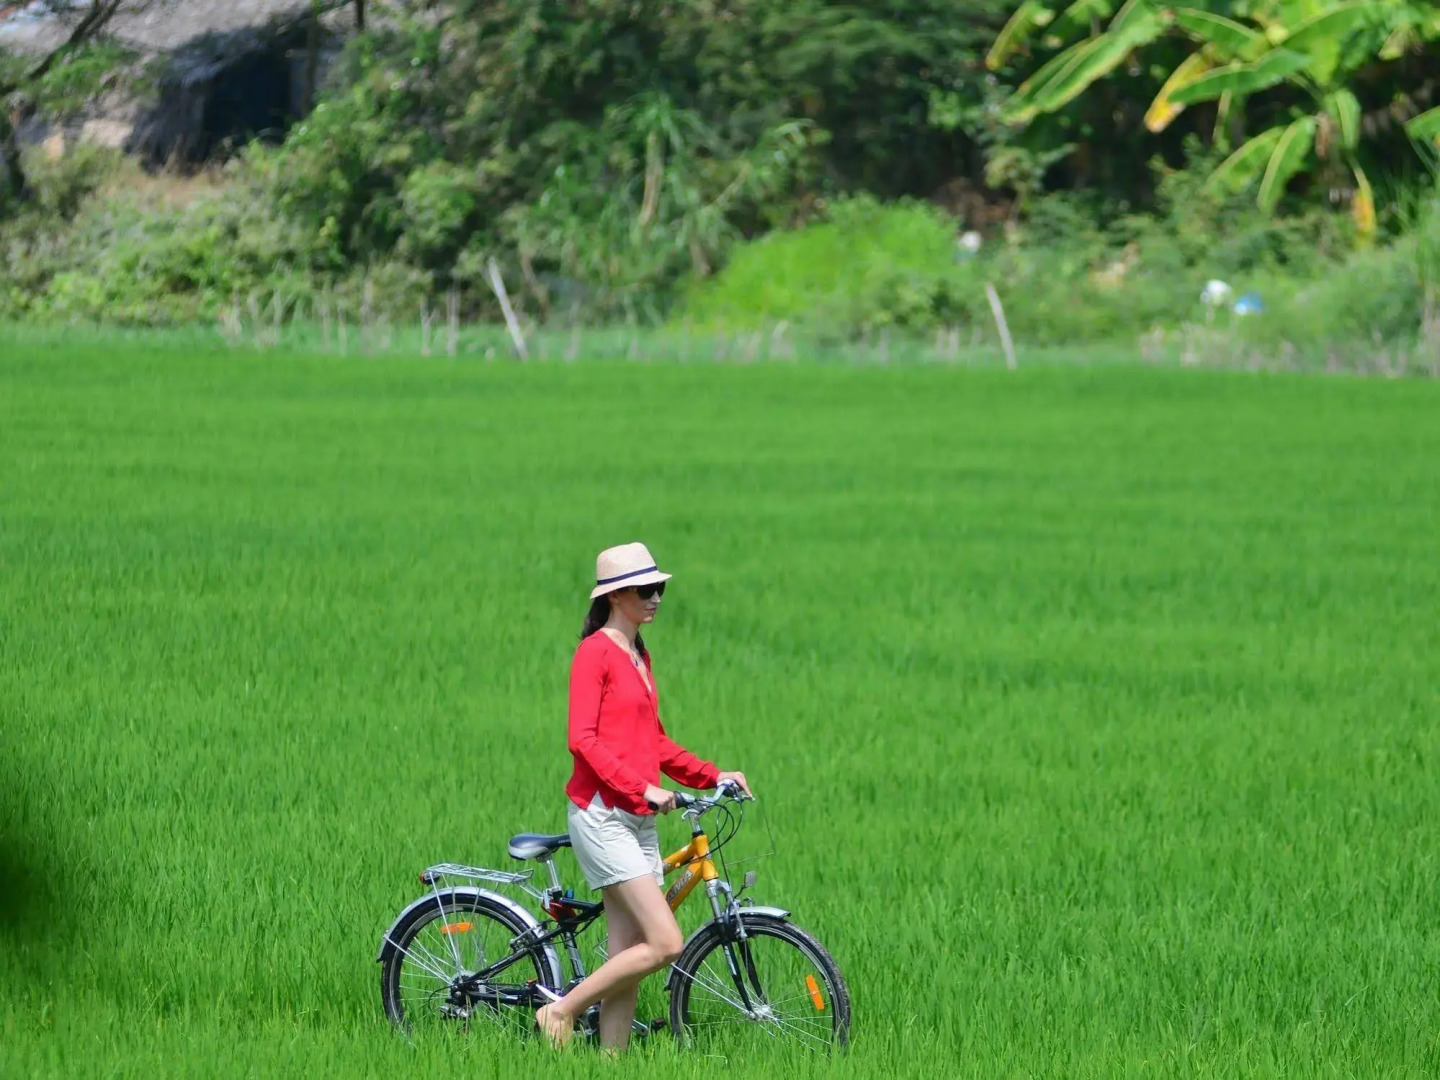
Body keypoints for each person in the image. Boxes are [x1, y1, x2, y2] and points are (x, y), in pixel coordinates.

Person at [535, 542, 749, 1050]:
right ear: (615, 595)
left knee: (627, 954)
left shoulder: (637, 655)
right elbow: (581, 740)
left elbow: (652, 740)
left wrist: (713, 774)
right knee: (665, 942)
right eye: (646, 589)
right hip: (602, 816)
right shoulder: (595, 653)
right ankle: (559, 1012)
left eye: (661, 588)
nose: (657, 597)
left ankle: (612, 1061)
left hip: (636, 818)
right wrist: (642, 788)